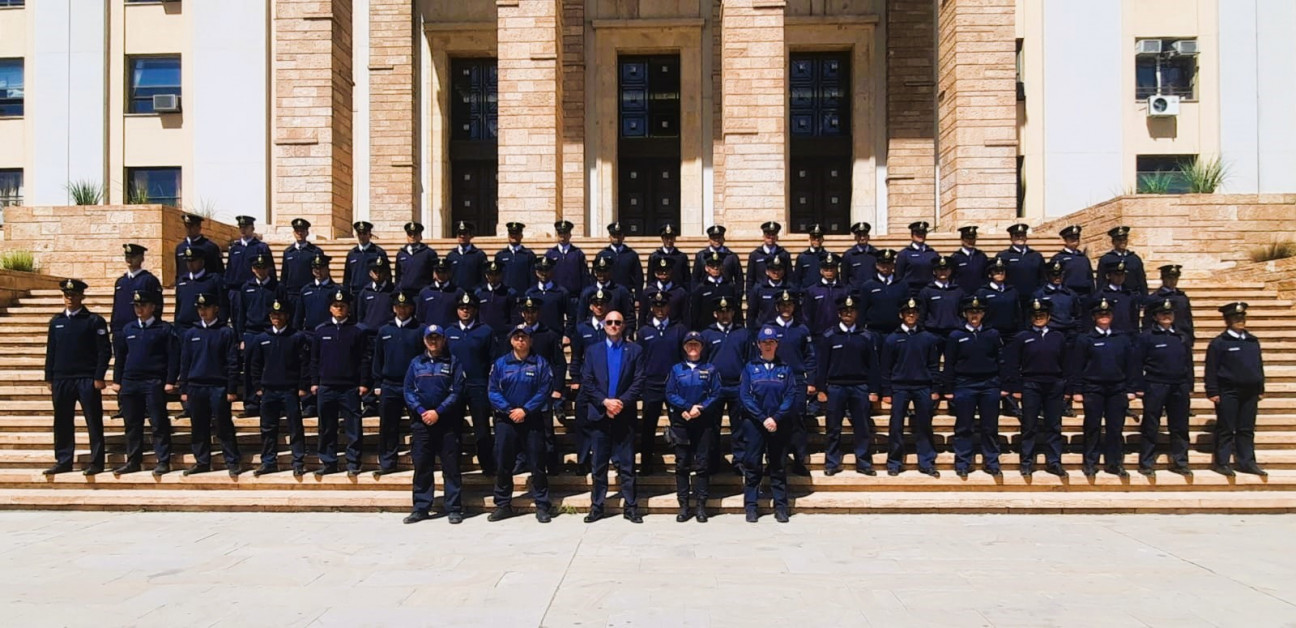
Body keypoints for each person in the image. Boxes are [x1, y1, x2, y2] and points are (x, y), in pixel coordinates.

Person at [578, 310, 645, 523]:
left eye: (618, 322)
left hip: (624, 415)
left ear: (623, 325)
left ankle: (631, 507)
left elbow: (639, 380)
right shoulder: (593, 351)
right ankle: (597, 506)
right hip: (600, 415)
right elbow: (587, 381)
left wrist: (621, 402)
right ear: (603, 325)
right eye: (610, 322)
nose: (614, 325)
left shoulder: (634, 350)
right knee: (599, 466)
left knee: (627, 465)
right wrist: (605, 402)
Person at [487, 325, 556, 523]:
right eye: (517, 338)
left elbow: (544, 390)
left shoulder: (540, 363)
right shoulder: (500, 364)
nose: (520, 341)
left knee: (537, 464)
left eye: (524, 338)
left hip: (532, 419)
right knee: (503, 463)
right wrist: (510, 410)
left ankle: (542, 505)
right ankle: (503, 504)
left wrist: (525, 410)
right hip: (505, 420)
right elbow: (492, 391)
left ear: (530, 341)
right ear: (511, 341)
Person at [43, 279, 111, 476]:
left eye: (73, 295)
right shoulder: (57, 322)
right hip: (62, 378)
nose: (70, 299)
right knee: (62, 420)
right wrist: (49, 376)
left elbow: (104, 351)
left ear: (82, 296)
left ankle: (96, 462)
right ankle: (63, 460)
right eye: (66, 295)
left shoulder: (93, 321)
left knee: (93, 420)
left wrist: (99, 376)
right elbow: (51, 350)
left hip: (86, 378)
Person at [402, 325, 465, 524]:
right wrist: (422, 411)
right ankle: (421, 508)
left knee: (451, 467)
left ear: (444, 340)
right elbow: (408, 391)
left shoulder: (453, 362)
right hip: (422, 423)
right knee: (422, 466)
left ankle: (454, 508)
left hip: (446, 422)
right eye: (430, 338)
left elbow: (457, 392)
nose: (433, 341)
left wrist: (438, 412)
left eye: (437, 338)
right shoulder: (416, 363)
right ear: (424, 340)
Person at [111, 288, 177, 476]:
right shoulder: (128, 329)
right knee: (132, 423)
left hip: (153, 381)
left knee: (158, 422)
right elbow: (121, 357)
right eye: (136, 306)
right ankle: (133, 460)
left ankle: (163, 460)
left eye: (143, 305)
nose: (139, 309)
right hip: (130, 381)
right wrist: (118, 380)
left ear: (153, 307)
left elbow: (173, 356)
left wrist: (170, 380)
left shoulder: (164, 329)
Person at [1070, 298, 1137, 478]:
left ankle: (1114, 463)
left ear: (1112, 316)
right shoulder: (1085, 339)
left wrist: (1131, 388)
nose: (1104, 317)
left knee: (1115, 428)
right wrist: (1077, 390)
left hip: (1117, 389)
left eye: (1107, 314)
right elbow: (1077, 366)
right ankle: (1090, 463)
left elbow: (1131, 365)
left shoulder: (1122, 338)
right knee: (1092, 427)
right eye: (1100, 314)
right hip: (1093, 388)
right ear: (1094, 317)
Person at [177, 292, 242, 477]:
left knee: (223, 425)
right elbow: (185, 362)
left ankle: (232, 460)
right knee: (198, 426)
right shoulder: (191, 333)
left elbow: (232, 362)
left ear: (216, 309)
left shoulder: (225, 332)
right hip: (196, 386)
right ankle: (202, 461)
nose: (202, 311)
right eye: (199, 308)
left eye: (206, 307)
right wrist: (184, 388)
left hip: (218, 386)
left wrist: (231, 388)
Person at [1003, 299, 1068, 477]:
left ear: (1048, 317)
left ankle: (1054, 461)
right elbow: (1013, 364)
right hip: (1030, 383)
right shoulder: (1022, 337)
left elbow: (1066, 362)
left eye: (1042, 315)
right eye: (1035, 316)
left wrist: (1065, 386)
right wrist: (1015, 387)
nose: (1038, 318)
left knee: (1053, 425)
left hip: (1054, 384)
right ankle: (1027, 462)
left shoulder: (1058, 337)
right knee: (1029, 425)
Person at [815, 294, 879, 476]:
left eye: (851, 311)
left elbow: (873, 365)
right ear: (839, 313)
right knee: (833, 428)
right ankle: (832, 462)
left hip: (860, 386)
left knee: (862, 427)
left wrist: (874, 389)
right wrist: (821, 389)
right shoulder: (829, 336)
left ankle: (864, 463)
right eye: (844, 311)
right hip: (835, 387)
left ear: (856, 313)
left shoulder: (866, 336)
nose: (848, 314)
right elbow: (822, 364)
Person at [739, 326, 797, 523]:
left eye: (771, 342)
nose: (768, 346)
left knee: (778, 466)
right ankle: (751, 506)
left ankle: (781, 506)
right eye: (765, 342)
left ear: (777, 344)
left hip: (778, 423)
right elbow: (745, 397)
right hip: (755, 424)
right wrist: (763, 418)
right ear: (758, 345)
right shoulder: (749, 368)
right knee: (753, 465)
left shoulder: (785, 369)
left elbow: (790, 395)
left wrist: (776, 417)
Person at [310, 290, 371, 477]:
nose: (339, 309)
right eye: (336, 306)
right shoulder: (321, 331)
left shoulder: (358, 331)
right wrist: (314, 382)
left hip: (349, 387)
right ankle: (329, 462)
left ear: (348, 308)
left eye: (342, 306)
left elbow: (364, 359)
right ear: (330, 308)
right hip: (326, 386)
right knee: (326, 427)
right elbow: (314, 359)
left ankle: (353, 462)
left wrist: (363, 383)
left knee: (353, 426)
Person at [247, 298, 310, 477]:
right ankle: (268, 461)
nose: (277, 318)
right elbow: (255, 365)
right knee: (268, 428)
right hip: (268, 391)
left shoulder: (296, 337)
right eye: (274, 315)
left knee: (295, 428)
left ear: (287, 316)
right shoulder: (262, 338)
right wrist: (258, 386)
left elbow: (303, 363)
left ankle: (298, 461)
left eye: (280, 314)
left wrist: (302, 386)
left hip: (289, 389)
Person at [881, 298, 942, 477]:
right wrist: (886, 390)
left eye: (914, 313)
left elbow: (933, 365)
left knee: (924, 426)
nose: (911, 316)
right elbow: (886, 367)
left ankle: (926, 461)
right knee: (896, 426)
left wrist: (935, 389)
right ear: (901, 315)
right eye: (907, 313)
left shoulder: (928, 338)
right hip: (899, 387)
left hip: (923, 386)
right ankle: (894, 462)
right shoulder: (892, 339)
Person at [943, 296, 1004, 478]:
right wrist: (948, 388)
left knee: (990, 426)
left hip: (989, 384)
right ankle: (963, 462)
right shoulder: (956, 336)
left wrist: (1002, 384)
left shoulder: (992, 334)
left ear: (983, 314)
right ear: (965, 314)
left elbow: (1001, 361)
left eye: (977, 312)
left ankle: (992, 461)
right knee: (964, 426)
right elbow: (949, 364)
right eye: (971, 312)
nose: (974, 316)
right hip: (964, 385)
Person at [1205, 302, 1267, 477]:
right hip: (1228, 390)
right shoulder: (1220, 343)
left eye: (1242, 317)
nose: (1240, 321)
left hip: (1250, 391)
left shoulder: (1252, 341)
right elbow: (1211, 368)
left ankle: (1247, 461)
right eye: (1235, 318)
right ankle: (1222, 462)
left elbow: (1258, 365)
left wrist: (1260, 386)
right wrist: (1212, 391)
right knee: (1226, 427)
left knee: (1246, 428)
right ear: (1227, 320)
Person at [1133, 298, 1194, 477]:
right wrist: (1138, 385)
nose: (1166, 316)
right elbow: (1137, 362)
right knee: (1151, 424)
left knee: (1180, 425)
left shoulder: (1181, 336)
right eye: (1162, 313)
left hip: (1179, 385)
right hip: (1156, 384)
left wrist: (1189, 383)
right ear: (1155, 316)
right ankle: (1146, 462)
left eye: (1169, 313)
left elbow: (1188, 362)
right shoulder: (1147, 336)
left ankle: (1180, 461)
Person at [665, 332, 720, 522]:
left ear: (702, 347)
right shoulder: (676, 369)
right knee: (682, 464)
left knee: (703, 464)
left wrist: (701, 408)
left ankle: (701, 506)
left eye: (697, 344)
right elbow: (670, 392)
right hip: (682, 421)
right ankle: (684, 505)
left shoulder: (710, 369)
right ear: (684, 347)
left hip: (703, 422)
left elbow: (716, 394)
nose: (693, 347)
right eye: (690, 344)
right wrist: (686, 407)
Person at [370, 290, 424, 477]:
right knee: (388, 425)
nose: (402, 310)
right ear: (394, 308)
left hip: (413, 385)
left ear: (411, 308)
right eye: (399, 307)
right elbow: (378, 358)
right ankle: (387, 461)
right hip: (389, 385)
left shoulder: (420, 330)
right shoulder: (385, 330)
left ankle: (419, 459)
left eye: (405, 306)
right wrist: (377, 382)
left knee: (417, 425)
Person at [511, 297, 567, 473]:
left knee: (546, 430)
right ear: (522, 313)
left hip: (543, 390)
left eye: (533, 311)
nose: (529, 315)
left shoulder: (549, 335)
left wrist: (558, 388)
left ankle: (550, 462)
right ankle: (522, 460)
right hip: (521, 389)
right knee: (520, 427)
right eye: (526, 312)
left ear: (538, 313)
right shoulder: (515, 335)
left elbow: (559, 363)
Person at [635, 292, 687, 475]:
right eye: (656, 306)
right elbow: (639, 360)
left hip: (674, 385)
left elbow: (684, 358)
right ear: (651, 308)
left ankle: (682, 462)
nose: (660, 309)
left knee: (679, 424)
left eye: (663, 305)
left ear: (668, 307)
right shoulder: (643, 332)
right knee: (649, 425)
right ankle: (646, 463)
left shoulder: (679, 329)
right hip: (651, 384)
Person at [445, 292, 497, 474]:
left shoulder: (485, 331)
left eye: (469, 308)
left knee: (482, 427)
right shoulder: (449, 331)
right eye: (462, 308)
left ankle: (487, 465)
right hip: (455, 386)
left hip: (478, 384)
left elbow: (493, 360)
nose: (465, 311)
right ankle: (453, 466)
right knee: (453, 428)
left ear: (475, 310)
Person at [701, 296, 752, 474]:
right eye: (721, 312)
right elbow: (703, 361)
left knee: (739, 426)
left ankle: (739, 461)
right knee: (712, 426)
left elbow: (749, 360)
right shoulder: (707, 334)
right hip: (715, 387)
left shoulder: (743, 333)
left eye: (728, 311)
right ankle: (713, 461)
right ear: (715, 314)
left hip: (737, 386)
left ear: (733, 313)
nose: (725, 315)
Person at [769, 290, 818, 476]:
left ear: (794, 307)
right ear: (777, 307)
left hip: (797, 380)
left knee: (797, 421)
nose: (786, 308)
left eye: (789, 305)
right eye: (782, 305)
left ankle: (799, 461)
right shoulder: (769, 329)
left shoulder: (802, 329)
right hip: (773, 379)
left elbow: (810, 357)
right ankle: (774, 461)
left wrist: (811, 381)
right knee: (773, 420)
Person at [232, 253, 285, 418]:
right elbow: (239, 314)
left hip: (271, 331)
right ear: (253, 269)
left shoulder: (277, 287)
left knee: (274, 368)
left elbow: (284, 311)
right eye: (257, 268)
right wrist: (241, 337)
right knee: (250, 369)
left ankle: (277, 403)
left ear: (268, 268)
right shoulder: (246, 287)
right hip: (252, 332)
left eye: (263, 267)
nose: (261, 271)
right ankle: (251, 403)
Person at [567, 289, 612, 473]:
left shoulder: (612, 326)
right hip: (587, 381)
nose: (599, 307)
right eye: (596, 304)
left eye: (602, 304)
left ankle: (610, 458)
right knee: (582, 422)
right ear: (591, 306)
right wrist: (575, 378)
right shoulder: (582, 329)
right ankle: (583, 459)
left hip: (608, 380)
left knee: (608, 422)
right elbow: (576, 356)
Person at [112, 243, 163, 337]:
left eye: (133, 256)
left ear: (141, 258)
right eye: (127, 256)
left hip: (140, 330)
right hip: (120, 330)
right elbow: (116, 307)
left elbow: (157, 306)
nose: (129, 259)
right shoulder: (121, 282)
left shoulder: (149, 280)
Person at [578, 254, 636, 337]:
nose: (602, 275)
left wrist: (628, 333)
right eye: (599, 272)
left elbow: (629, 316)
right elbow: (581, 317)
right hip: (593, 334)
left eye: (605, 271)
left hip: (616, 333)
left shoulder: (621, 291)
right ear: (595, 273)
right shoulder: (587, 292)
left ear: (611, 272)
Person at [687, 251, 744, 332]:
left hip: (728, 331)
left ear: (722, 267)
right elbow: (695, 314)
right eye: (712, 265)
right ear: (706, 268)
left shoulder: (730, 287)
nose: (715, 268)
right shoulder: (700, 289)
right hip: (706, 331)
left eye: (718, 265)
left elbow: (737, 312)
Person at [174, 246, 227, 331]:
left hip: (205, 328)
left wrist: (219, 325)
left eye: (193, 261)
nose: (190, 264)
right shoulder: (182, 281)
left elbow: (223, 304)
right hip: (184, 328)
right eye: (188, 261)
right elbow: (179, 307)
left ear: (202, 261)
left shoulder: (213, 280)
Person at [226, 215, 274, 305]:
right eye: (241, 227)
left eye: (246, 227)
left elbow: (270, 270)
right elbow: (229, 271)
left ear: (252, 228)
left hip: (254, 290)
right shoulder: (234, 248)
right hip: (236, 292)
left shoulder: (261, 247)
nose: (243, 230)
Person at [1143, 264, 1195, 345]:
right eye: (1169, 278)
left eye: (1175, 278)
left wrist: (1190, 338)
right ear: (1163, 278)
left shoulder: (1182, 297)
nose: (1173, 281)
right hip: (1161, 339)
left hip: (1182, 338)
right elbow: (1147, 322)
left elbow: (1188, 320)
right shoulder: (1154, 298)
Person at [998, 223, 1045, 309]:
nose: (1020, 238)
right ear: (1011, 238)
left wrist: (1038, 293)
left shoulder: (1036, 256)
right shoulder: (1003, 256)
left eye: (1022, 235)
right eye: (1017, 235)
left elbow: (1042, 277)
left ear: (1026, 237)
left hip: (1032, 297)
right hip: (1011, 298)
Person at [547, 220, 590, 315]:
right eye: (560, 233)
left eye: (565, 233)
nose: (563, 236)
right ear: (557, 234)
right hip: (555, 296)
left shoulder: (578, 254)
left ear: (570, 235)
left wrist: (583, 296)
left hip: (573, 298)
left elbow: (584, 277)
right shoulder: (550, 254)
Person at [859, 249, 906, 335]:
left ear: (893, 265)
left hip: (896, 331)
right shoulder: (868, 286)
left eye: (888, 264)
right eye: (882, 264)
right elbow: (862, 310)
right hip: (874, 331)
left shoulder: (902, 285)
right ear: (877, 265)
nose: (885, 267)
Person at [524, 257, 572, 340]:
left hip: (556, 336)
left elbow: (571, 316)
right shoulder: (530, 293)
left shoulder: (561, 292)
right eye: (540, 271)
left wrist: (567, 334)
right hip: (535, 337)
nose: (544, 273)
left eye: (546, 270)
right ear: (536, 272)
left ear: (551, 271)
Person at [802, 252, 849, 336]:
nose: (829, 272)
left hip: (840, 334)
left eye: (832, 269)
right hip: (818, 334)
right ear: (821, 271)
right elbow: (807, 315)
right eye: (826, 269)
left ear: (837, 270)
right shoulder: (812, 290)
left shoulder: (844, 290)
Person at [916, 255, 963, 338]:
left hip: (953, 332)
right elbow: (922, 314)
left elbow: (962, 313)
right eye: (939, 269)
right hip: (932, 333)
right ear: (934, 271)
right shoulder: (926, 291)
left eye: (946, 269)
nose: (943, 272)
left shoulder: (958, 291)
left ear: (950, 271)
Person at [975, 257, 1021, 337]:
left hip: (1011, 333)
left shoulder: (1012, 291)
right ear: (990, 274)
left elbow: (1018, 313)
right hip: (989, 332)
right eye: (996, 271)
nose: (1000, 273)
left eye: (1002, 271)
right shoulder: (982, 292)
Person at [475, 261, 518, 347]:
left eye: (496, 274)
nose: (493, 277)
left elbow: (514, 316)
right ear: (486, 275)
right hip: (483, 335)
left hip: (503, 337)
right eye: (490, 274)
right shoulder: (479, 293)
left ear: (501, 275)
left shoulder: (510, 293)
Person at [281, 218, 322, 306]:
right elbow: (284, 274)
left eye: (302, 230)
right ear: (293, 233)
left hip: (309, 291)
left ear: (307, 232)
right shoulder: (288, 252)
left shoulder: (315, 251)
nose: (299, 233)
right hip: (292, 293)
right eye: (297, 231)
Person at [747, 255, 795, 330]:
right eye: (773, 269)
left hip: (785, 330)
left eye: (779, 269)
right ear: (767, 271)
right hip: (764, 330)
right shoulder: (758, 289)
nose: (776, 272)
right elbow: (751, 314)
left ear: (784, 271)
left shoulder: (790, 289)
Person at [174, 213, 224, 282]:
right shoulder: (180, 248)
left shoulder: (210, 247)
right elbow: (179, 272)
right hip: (185, 287)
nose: (189, 229)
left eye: (191, 226)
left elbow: (218, 272)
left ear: (199, 227)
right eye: (186, 226)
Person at [1093, 260, 1139, 335]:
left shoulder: (1129, 294)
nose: (1120, 278)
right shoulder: (1102, 295)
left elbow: (1134, 317)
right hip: (1111, 335)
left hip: (1128, 334)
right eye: (1116, 275)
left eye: (1122, 275)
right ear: (1109, 276)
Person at [639, 256, 687, 329]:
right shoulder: (648, 292)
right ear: (655, 273)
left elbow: (685, 317)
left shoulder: (680, 292)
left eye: (667, 270)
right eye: (660, 271)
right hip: (652, 330)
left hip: (675, 330)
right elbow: (642, 316)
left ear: (671, 271)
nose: (664, 273)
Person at [1098, 226, 1147, 296]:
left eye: (1124, 239)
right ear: (1113, 242)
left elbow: (1142, 281)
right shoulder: (1106, 259)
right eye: (1119, 240)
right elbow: (1101, 281)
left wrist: (1145, 299)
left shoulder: (1135, 259)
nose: (1122, 242)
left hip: (1133, 295)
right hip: (1112, 295)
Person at [343, 221, 389, 296]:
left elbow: (387, 275)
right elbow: (347, 278)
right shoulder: (352, 254)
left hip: (373, 292)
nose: (362, 236)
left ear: (369, 235)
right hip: (356, 293)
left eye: (364, 233)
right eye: (359, 234)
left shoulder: (378, 252)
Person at [602, 221, 644, 303]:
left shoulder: (632, 255)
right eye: (614, 235)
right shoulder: (603, 255)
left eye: (619, 235)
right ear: (609, 237)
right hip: (607, 294)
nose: (616, 238)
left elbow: (638, 277)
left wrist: (638, 298)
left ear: (623, 236)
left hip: (626, 294)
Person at [417, 258, 465, 328]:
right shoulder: (425, 292)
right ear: (434, 273)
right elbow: (420, 317)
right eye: (438, 272)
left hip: (451, 333)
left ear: (449, 273)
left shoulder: (458, 292)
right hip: (430, 334)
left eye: (444, 272)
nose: (441, 275)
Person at [895, 221, 939, 296]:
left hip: (929, 291)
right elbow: (899, 276)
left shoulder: (933, 253)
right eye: (917, 233)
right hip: (911, 291)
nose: (920, 236)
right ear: (912, 235)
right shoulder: (904, 254)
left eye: (923, 233)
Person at [746, 221, 791, 292]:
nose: (771, 238)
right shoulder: (755, 255)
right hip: (760, 293)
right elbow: (750, 278)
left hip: (779, 291)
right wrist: (750, 297)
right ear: (763, 236)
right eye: (768, 235)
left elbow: (789, 276)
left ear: (777, 237)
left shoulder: (784, 254)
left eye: (773, 235)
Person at [1051, 225, 1094, 298]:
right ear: (1065, 240)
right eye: (1072, 238)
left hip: (1085, 295)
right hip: (1067, 294)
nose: (1075, 240)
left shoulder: (1083, 258)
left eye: (1077, 238)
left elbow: (1090, 278)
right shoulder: (1059, 258)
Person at [496, 222, 538, 296]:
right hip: (504, 295)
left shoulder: (529, 255)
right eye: (512, 234)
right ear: (508, 236)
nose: (514, 236)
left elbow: (533, 279)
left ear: (521, 235)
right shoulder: (500, 255)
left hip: (523, 295)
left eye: (516, 234)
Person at [355, 257, 397, 330]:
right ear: (370, 273)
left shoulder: (393, 291)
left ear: (386, 272)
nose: (378, 274)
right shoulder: (365, 292)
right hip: (368, 333)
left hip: (387, 332)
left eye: (381, 271)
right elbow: (360, 316)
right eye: (375, 271)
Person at [395, 221, 438, 292]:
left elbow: (434, 274)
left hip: (422, 293)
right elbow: (398, 275)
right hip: (405, 294)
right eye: (410, 234)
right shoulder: (401, 254)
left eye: (415, 234)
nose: (412, 236)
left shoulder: (429, 253)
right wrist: (398, 289)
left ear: (420, 236)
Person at [446, 220, 488, 291]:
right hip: (455, 294)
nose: (462, 236)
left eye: (465, 233)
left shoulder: (479, 255)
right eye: (460, 233)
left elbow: (484, 277)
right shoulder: (451, 255)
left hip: (473, 294)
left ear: (471, 235)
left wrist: (478, 290)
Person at [649, 223, 690, 289]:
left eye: (671, 237)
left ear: (675, 238)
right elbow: (650, 279)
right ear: (662, 239)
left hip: (678, 293)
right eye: (666, 238)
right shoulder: (655, 256)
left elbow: (687, 279)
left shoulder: (682, 257)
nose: (669, 240)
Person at [841, 221, 879, 292]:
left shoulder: (875, 254)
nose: (862, 238)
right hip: (855, 294)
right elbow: (844, 278)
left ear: (868, 237)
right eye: (859, 235)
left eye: (864, 235)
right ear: (855, 238)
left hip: (872, 292)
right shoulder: (849, 255)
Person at [950, 225, 989, 293]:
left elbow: (986, 276)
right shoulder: (955, 257)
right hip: (962, 295)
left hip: (979, 295)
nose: (970, 241)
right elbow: (951, 277)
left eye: (972, 238)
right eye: (967, 238)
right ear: (962, 240)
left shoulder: (981, 256)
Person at [793, 223, 830, 289]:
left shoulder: (828, 257)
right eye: (814, 238)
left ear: (822, 239)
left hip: (823, 292)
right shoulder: (802, 257)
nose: (816, 240)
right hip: (806, 293)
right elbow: (797, 279)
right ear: (810, 239)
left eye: (819, 238)